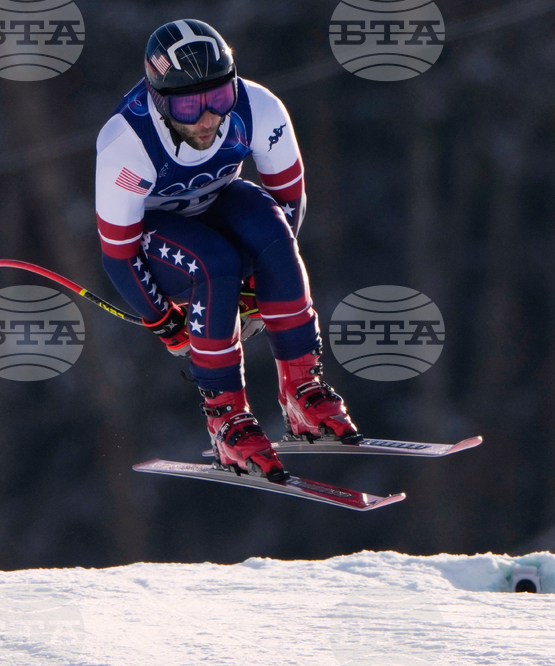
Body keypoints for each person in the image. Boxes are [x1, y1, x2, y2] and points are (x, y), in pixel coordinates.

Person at [95, 19, 360, 481]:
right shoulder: (127, 144)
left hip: (221, 201)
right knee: (215, 262)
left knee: (273, 230)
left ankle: (302, 390)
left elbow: (289, 199)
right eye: (188, 104)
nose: (206, 118)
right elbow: (118, 253)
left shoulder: (258, 108)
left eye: (218, 98)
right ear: (159, 99)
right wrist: (162, 320)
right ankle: (226, 421)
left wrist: (263, 279)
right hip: (157, 240)